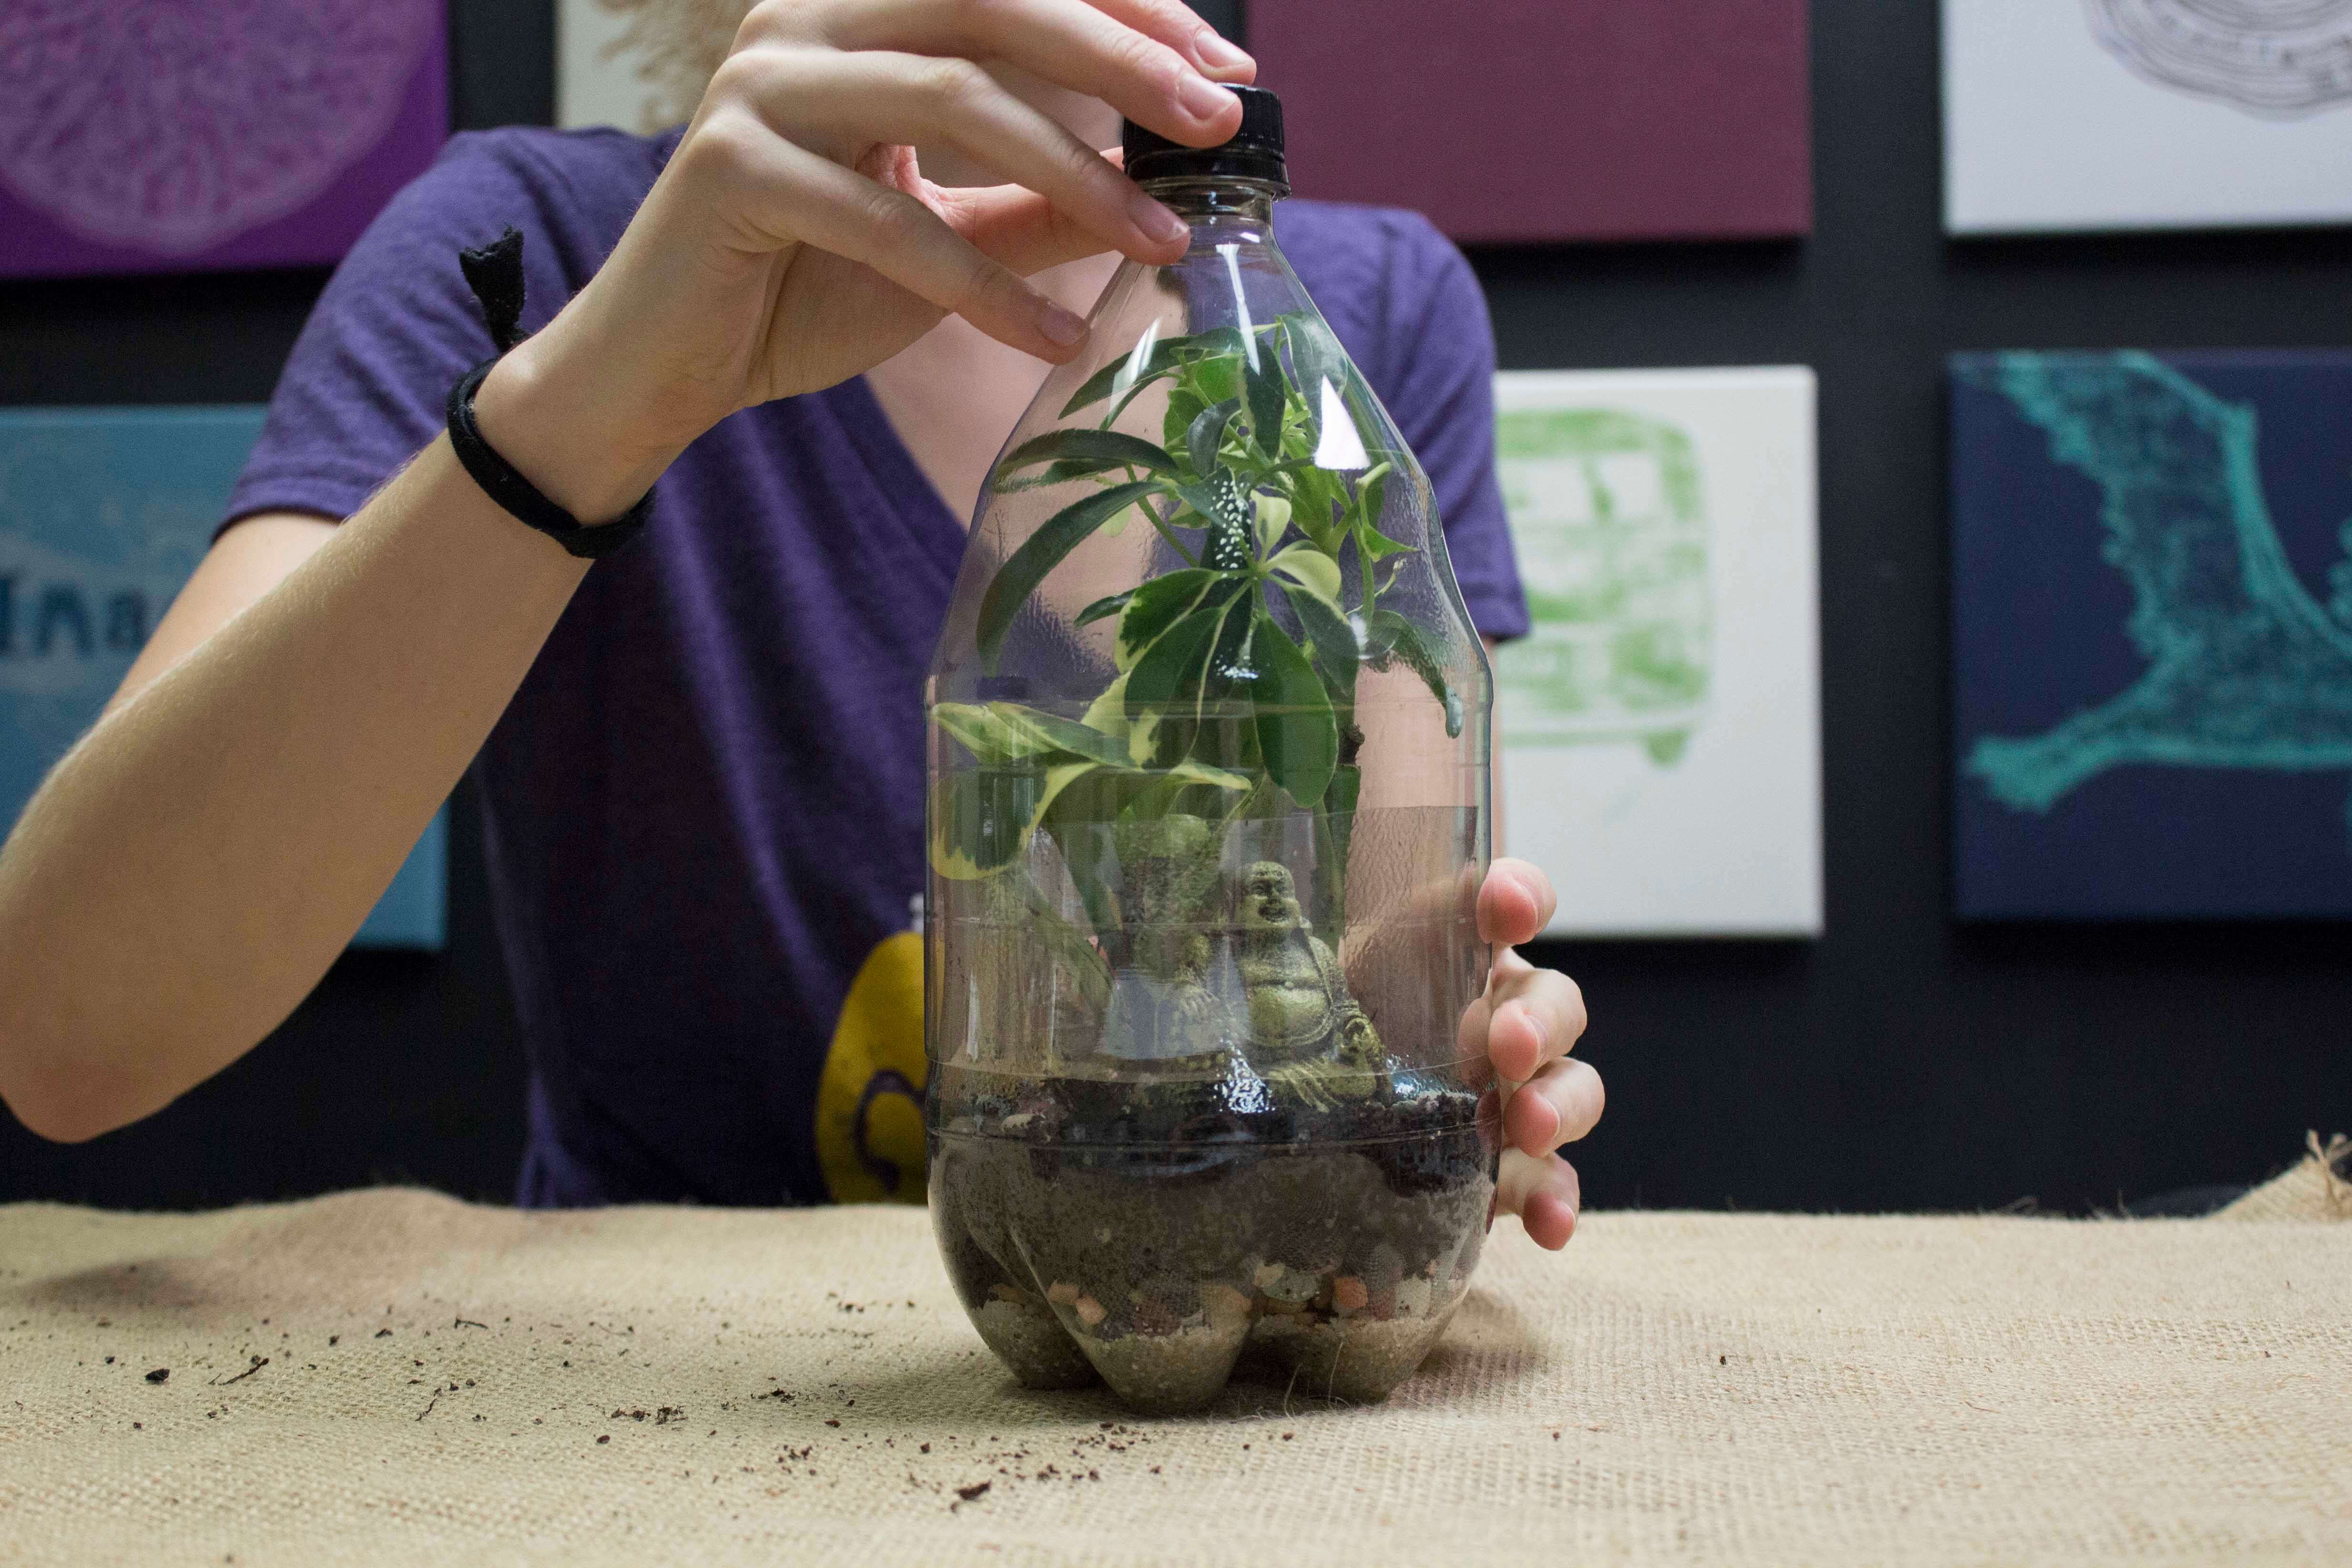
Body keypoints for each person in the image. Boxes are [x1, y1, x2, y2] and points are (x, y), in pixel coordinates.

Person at [0, 0, 1599, 1245]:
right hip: (656, 1401)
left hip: (1210, 1311)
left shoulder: (1371, 312)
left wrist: (1462, 1057)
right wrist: (609, 390)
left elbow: (1404, 936)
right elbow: (69, 1032)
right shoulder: (531, 253)